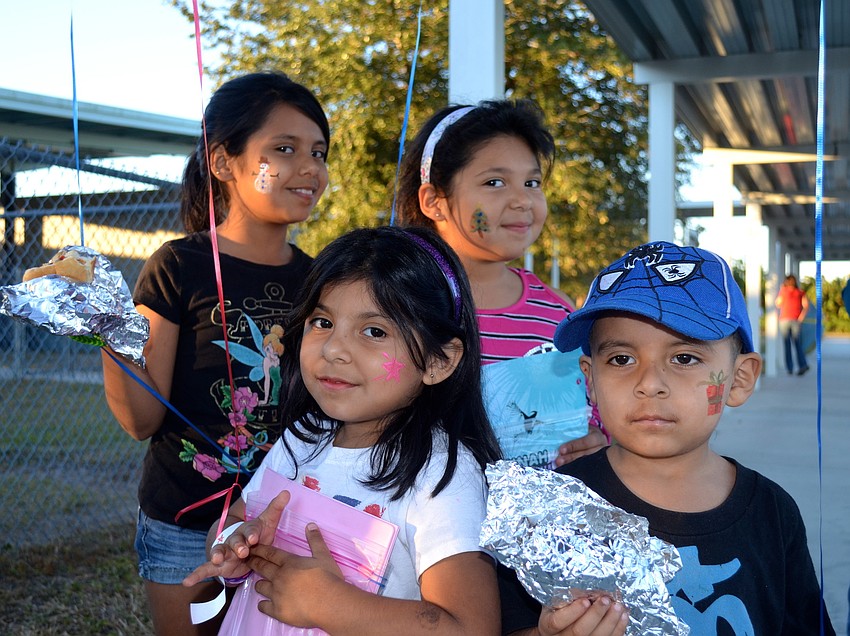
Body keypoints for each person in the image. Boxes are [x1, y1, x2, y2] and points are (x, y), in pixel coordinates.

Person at [500, 241, 835, 635]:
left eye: (684, 358)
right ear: (589, 380)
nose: (650, 384)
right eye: (621, 359)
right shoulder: (549, 509)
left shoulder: (774, 514)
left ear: (739, 379)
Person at [183, 226, 502, 634]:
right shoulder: (303, 437)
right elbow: (236, 521)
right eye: (322, 321)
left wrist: (333, 605)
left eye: (374, 331)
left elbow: (471, 629)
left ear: (439, 361)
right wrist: (233, 545)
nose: (333, 348)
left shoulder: (440, 475)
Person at [100, 71, 331, 635]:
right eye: (284, 148)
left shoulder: (325, 278)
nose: (310, 168)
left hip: (286, 521)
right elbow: (140, 419)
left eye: (319, 152)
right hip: (184, 519)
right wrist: (106, 331)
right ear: (224, 162)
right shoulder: (178, 265)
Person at [395, 100, 607, 464]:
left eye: (532, 182)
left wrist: (595, 439)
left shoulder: (558, 313)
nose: (523, 200)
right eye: (495, 182)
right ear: (434, 201)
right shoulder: (396, 302)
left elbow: (590, 411)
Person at [775, 274, 810, 375]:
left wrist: (781, 290)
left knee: (787, 345)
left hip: (784, 320)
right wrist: (800, 318)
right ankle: (802, 365)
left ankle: (790, 368)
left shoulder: (784, 291)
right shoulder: (800, 292)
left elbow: (778, 303)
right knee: (797, 344)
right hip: (795, 320)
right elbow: (806, 306)